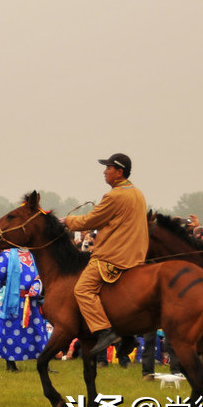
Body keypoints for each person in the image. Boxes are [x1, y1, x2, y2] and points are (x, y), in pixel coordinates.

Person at [62, 153, 147, 356]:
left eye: (108, 168)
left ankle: (105, 332)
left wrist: (67, 221)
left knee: (82, 290)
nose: (104, 171)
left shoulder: (115, 195)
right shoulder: (137, 193)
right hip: (137, 256)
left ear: (119, 172)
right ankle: (126, 335)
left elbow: (92, 220)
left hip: (113, 255)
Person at [0, 247, 47, 372]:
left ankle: (43, 364)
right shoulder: (7, 254)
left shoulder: (36, 253)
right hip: (13, 300)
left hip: (34, 300)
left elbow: (45, 273)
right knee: (10, 330)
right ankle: (10, 364)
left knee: (38, 331)